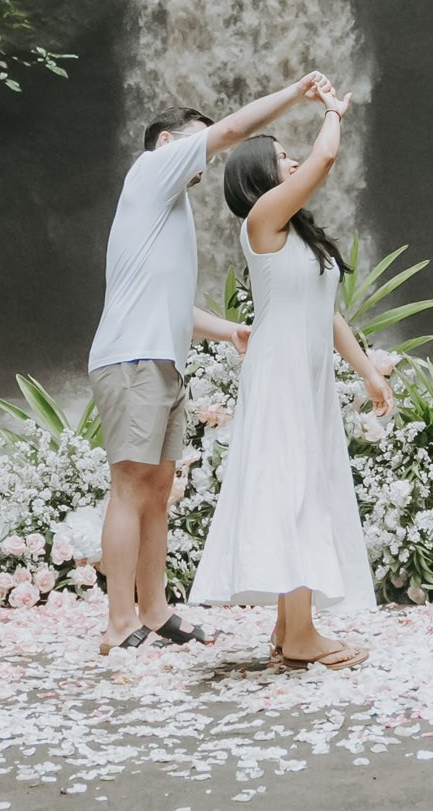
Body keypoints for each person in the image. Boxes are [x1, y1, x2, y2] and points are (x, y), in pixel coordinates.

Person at [88, 72, 338, 654]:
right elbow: (231, 129)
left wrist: (229, 331)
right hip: (131, 358)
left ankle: (154, 612)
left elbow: (173, 304)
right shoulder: (152, 172)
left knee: (157, 489)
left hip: (161, 358)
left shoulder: (168, 209)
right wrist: (296, 94)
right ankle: (118, 623)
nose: (210, 157)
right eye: (200, 145)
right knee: (129, 486)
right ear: (169, 142)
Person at [189, 82, 393, 670]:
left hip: (307, 376)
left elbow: (325, 313)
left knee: (306, 484)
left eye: (290, 156)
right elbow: (327, 158)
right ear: (259, 175)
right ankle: (302, 635)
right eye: (282, 157)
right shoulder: (262, 218)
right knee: (293, 488)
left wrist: (368, 375)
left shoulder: (297, 233)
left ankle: (288, 627)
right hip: (279, 372)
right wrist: (333, 110)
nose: (294, 161)